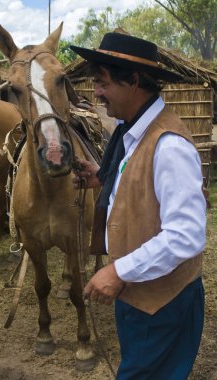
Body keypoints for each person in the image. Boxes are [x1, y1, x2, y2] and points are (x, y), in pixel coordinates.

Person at [70, 33, 206, 380]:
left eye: (101, 83)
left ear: (132, 80)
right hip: (140, 291)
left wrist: (117, 272)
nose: (96, 93)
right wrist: (102, 177)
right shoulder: (132, 133)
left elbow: (186, 235)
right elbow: (134, 174)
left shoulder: (169, 146)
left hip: (162, 303)